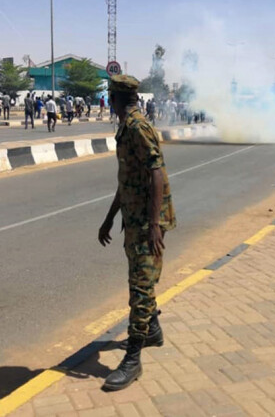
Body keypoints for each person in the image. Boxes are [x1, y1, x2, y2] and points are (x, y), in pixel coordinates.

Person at [98, 75, 176, 391]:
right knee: (139, 279)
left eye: (109, 97)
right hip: (133, 218)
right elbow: (127, 180)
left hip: (146, 221)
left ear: (115, 98)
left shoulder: (136, 127)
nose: (109, 101)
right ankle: (153, 329)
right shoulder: (126, 126)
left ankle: (133, 359)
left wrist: (155, 224)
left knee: (140, 286)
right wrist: (109, 218)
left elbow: (156, 172)